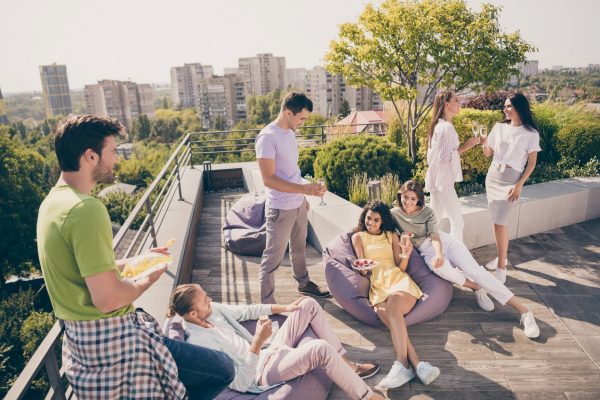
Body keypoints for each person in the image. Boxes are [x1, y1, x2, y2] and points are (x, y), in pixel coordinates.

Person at [36, 115, 234, 400]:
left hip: (82, 347)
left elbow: (82, 271)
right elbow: (108, 299)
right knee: (222, 369)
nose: (117, 159)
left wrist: (137, 261)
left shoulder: (52, 204)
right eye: (113, 151)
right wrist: (148, 279)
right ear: (91, 156)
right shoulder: (86, 209)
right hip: (113, 342)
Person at [168, 283, 386, 400]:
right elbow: (242, 382)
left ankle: (348, 366)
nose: (211, 300)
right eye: (205, 300)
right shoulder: (200, 345)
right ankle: (367, 397)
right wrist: (257, 341)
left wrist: (286, 308)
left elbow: (246, 311)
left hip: (267, 349)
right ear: (194, 314)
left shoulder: (212, 312)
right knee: (319, 348)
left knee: (307, 303)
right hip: (260, 373)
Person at [391, 180, 540, 339]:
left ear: (419, 199)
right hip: (425, 251)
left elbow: (435, 236)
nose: (408, 202)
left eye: (413, 199)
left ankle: (524, 312)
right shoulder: (394, 214)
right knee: (440, 268)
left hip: (443, 243)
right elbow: (375, 216)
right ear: (400, 195)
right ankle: (476, 287)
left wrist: (440, 253)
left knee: (475, 271)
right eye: (405, 197)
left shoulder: (427, 212)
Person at [351, 201, 441, 389]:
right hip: (377, 286)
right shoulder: (358, 237)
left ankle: (401, 363)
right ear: (364, 217)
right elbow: (362, 269)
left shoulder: (390, 235)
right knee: (392, 318)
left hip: (397, 280)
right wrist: (363, 270)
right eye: (369, 218)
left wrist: (406, 254)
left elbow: (401, 266)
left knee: (392, 307)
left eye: (376, 220)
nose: (371, 223)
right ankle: (418, 364)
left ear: (382, 222)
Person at [255, 91, 330, 304]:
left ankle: (304, 284)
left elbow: (291, 170)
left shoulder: (289, 132)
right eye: (301, 118)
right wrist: (304, 190)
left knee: (299, 248)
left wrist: (303, 196)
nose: (303, 122)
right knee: (272, 259)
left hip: (297, 204)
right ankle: (267, 306)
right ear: (288, 112)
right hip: (280, 208)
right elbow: (268, 179)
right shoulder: (267, 137)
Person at [481, 92, 542, 283]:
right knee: (496, 222)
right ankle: (502, 257)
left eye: (509, 106)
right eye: (505, 106)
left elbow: (531, 163)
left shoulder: (531, 133)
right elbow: (488, 154)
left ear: (519, 108)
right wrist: (484, 143)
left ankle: (501, 267)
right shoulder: (498, 128)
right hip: (493, 177)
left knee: (500, 222)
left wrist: (519, 185)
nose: (505, 109)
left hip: (511, 181)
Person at [425, 90, 480, 243]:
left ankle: (432, 253)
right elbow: (444, 158)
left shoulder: (440, 125)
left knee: (434, 221)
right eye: (456, 100)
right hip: (443, 182)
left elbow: (435, 156)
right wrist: (466, 146)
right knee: (458, 222)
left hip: (437, 179)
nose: (459, 103)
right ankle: (458, 258)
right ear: (447, 105)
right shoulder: (445, 128)